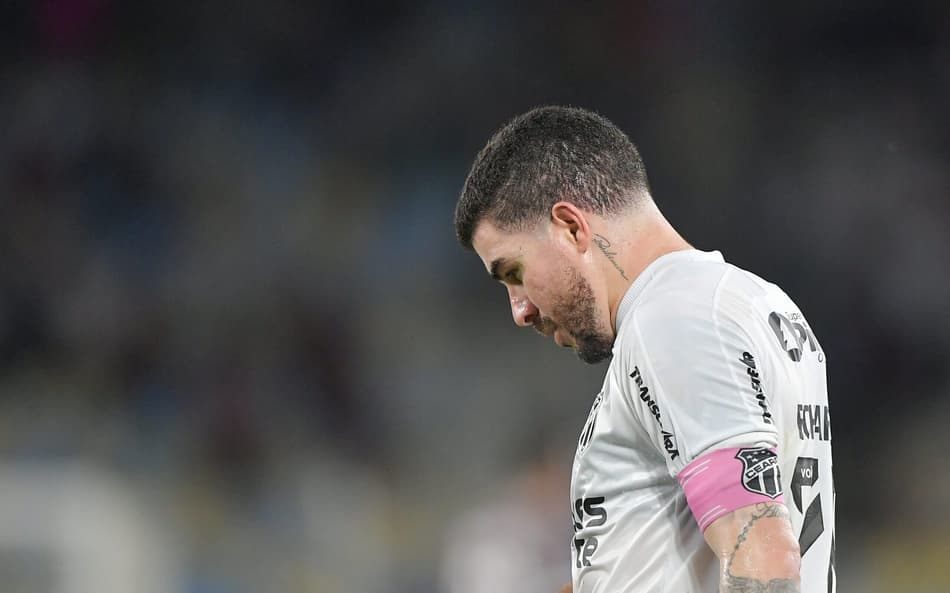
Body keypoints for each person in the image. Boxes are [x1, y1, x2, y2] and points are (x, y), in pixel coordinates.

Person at [453, 106, 835, 593]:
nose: (520, 310)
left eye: (514, 273)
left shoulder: (673, 321)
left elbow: (764, 557)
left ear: (571, 227)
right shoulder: (756, 304)